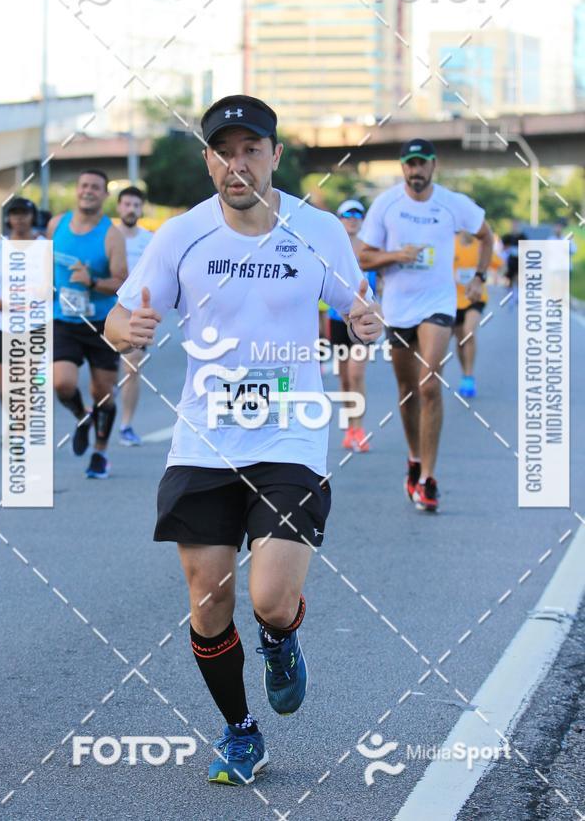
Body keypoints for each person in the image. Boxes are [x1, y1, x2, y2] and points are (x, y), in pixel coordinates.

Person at [105, 95, 382, 786]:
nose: (238, 163)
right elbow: (121, 314)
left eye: (251, 149)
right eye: (224, 151)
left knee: (269, 599)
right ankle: (239, 731)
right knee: (207, 602)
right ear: (208, 160)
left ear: (275, 156)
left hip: (291, 438)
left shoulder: (318, 229)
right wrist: (122, 331)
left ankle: (282, 639)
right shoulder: (180, 235)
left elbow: (356, 307)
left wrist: (368, 323)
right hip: (204, 442)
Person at [359, 138, 493, 512]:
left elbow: (486, 235)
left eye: (422, 164)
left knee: (429, 383)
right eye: (410, 164)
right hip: (399, 307)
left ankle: (429, 478)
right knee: (407, 391)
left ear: (434, 166)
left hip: (438, 303)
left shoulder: (452, 204)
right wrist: (396, 255)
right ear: (403, 168)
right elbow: (364, 256)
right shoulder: (387, 204)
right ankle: (414, 459)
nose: (416, 171)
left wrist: (480, 276)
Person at [48, 169, 127, 479]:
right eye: (84, 186)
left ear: (104, 195)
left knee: (103, 393)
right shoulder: (57, 224)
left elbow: (122, 281)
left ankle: (100, 454)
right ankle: (82, 416)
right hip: (65, 319)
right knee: (62, 383)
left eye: (95, 187)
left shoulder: (111, 235)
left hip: (102, 323)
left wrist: (92, 280)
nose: (88, 191)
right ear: (76, 190)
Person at [327, 199, 377, 451]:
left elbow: (385, 283)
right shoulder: (333, 248)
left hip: (364, 320)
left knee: (357, 373)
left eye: (357, 214)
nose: (352, 218)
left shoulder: (370, 249)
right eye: (347, 214)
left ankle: (360, 429)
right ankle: (350, 429)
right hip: (337, 319)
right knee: (345, 378)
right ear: (339, 218)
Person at [0, 197, 41, 401]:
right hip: (3, 324)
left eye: (24, 214)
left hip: (35, 324)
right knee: (7, 387)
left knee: (29, 383)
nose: (20, 219)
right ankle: (13, 430)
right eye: (15, 214)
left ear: (32, 216)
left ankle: (23, 429)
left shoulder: (44, 246)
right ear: (8, 218)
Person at [115, 185, 153, 446]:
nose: (131, 209)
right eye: (127, 204)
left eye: (136, 205)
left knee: (132, 366)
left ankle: (126, 424)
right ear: (119, 207)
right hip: (104, 310)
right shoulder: (108, 236)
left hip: (135, 313)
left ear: (141, 209)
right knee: (103, 374)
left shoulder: (149, 240)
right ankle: (98, 415)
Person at [453, 231, 503, 398]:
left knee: (469, 332)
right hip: (453, 299)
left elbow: (497, 263)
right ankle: (464, 374)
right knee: (460, 341)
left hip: (475, 296)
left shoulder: (482, 245)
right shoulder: (451, 243)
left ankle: (469, 375)